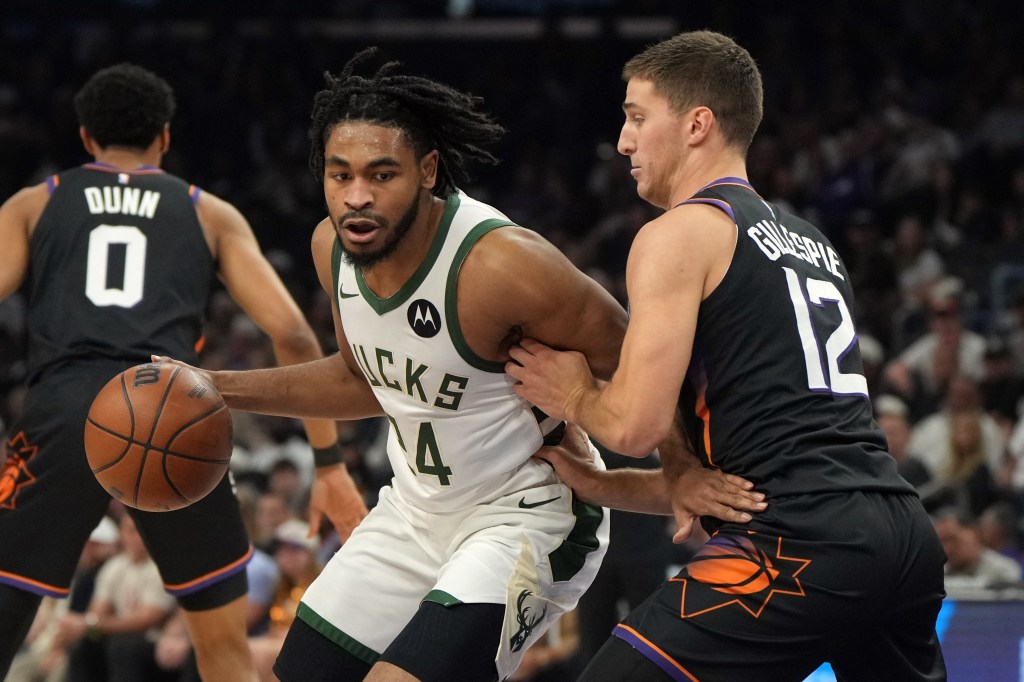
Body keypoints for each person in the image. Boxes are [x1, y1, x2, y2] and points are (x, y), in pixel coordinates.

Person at [157, 48, 765, 682]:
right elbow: (362, 378)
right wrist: (212, 388)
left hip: (526, 517)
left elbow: (635, 356)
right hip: (413, 514)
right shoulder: (330, 248)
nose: (357, 198)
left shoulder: (501, 265)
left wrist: (681, 468)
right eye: (340, 176)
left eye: (381, 175)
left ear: (427, 170)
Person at [508, 30, 947, 681]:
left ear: (696, 124)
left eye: (635, 117)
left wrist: (575, 396)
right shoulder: (811, 243)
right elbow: (765, 470)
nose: (624, 141)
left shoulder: (678, 234)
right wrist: (603, 484)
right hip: (901, 534)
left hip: (804, 544)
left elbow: (635, 425)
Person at [0, 63, 369, 682]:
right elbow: (295, 334)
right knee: (223, 651)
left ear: (86, 138)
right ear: (165, 138)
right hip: (171, 408)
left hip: (62, 412)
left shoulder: (36, 203)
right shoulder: (209, 213)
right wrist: (328, 463)